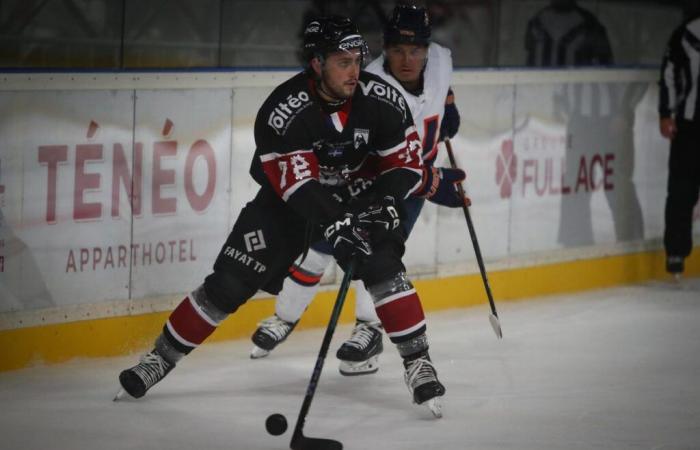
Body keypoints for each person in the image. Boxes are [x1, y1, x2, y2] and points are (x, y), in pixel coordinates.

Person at [116, 15, 447, 415]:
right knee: (229, 283)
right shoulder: (284, 110)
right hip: (288, 203)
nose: (354, 71)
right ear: (316, 62)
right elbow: (297, 186)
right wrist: (334, 221)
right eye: (342, 61)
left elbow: (404, 164)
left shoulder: (380, 99)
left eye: (357, 60)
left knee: (382, 265)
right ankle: (160, 359)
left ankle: (418, 363)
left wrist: (388, 199)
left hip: (355, 195)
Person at [249, 4, 465, 378]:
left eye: (415, 50)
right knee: (319, 248)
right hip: (366, 178)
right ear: (384, 47)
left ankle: (369, 330)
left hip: (406, 181)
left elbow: (441, 95)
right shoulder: (373, 84)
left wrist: (448, 111)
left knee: (378, 250)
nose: (406, 59)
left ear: (429, 50)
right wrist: (432, 181)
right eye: (397, 49)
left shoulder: (442, 60)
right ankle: (285, 316)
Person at [658, 11, 700, 278]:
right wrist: (665, 112)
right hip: (689, 126)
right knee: (681, 190)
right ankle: (676, 251)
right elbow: (669, 71)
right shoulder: (687, 32)